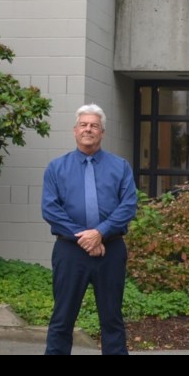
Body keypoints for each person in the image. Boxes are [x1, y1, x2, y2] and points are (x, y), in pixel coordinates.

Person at [42, 104, 137, 355]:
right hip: (69, 251)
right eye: (83, 125)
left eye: (94, 125)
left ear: (102, 132)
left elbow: (128, 206)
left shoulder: (120, 167)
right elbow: (50, 210)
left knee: (112, 319)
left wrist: (100, 233)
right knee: (62, 318)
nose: (88, 129)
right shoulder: (56, 168)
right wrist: (85, 238)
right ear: (75, 131)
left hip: (111, 250)